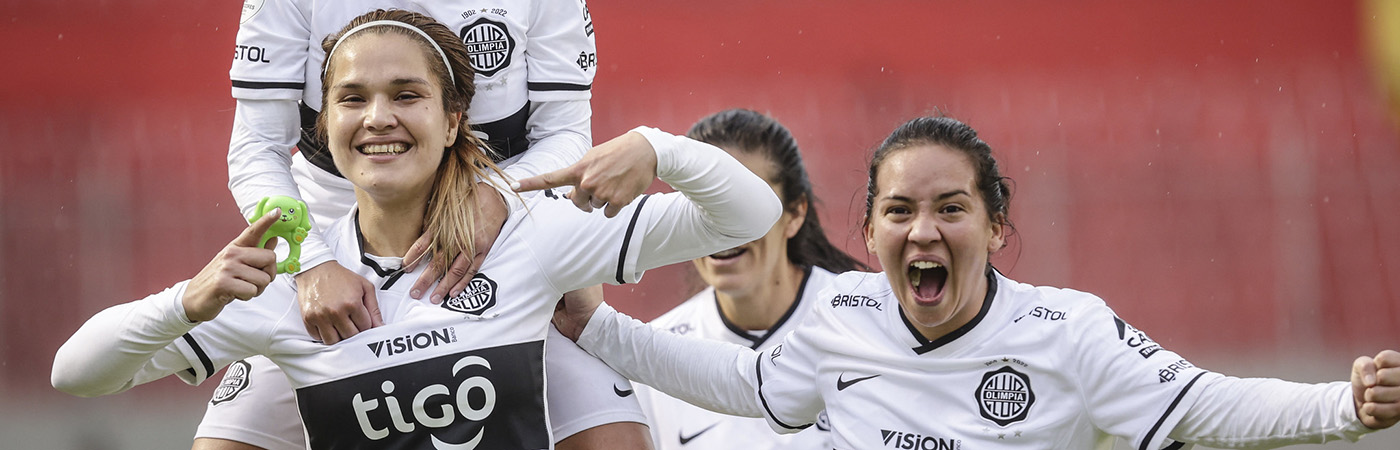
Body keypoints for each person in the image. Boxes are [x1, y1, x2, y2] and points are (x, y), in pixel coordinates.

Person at [51, 9, 781, 450]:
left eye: (407, 96)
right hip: (315, 265)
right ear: (324, 125)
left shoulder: (532, 236)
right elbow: (75, 374)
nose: (378, 119)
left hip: (495, 217)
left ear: (454, 118)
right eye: (352, 99)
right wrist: (194, 299)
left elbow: (752, 214)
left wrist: (659, 147)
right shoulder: (283, 293)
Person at [552, 115, 1400, 449]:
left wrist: (1345, 404)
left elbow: (1209, 404)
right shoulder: (839, 317)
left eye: (950, 208)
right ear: (872, 230)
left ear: (996, 227)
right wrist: (594, 326)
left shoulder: (1067, 332)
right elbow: (738, 383)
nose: (923, 230)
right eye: (899, 211)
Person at [214, 1, 648, 448]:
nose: (379, 117)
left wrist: (503, 197)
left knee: (617, 438)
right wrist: (310, 262)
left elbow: (565, 132)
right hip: (325, 266)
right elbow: (256, 148)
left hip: (498, 248)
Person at [635, 109, 866, 450]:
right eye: (702, 199)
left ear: (795, 213)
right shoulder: (648, 358)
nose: (724, 224)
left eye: (746, 201)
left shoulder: (866, 322)